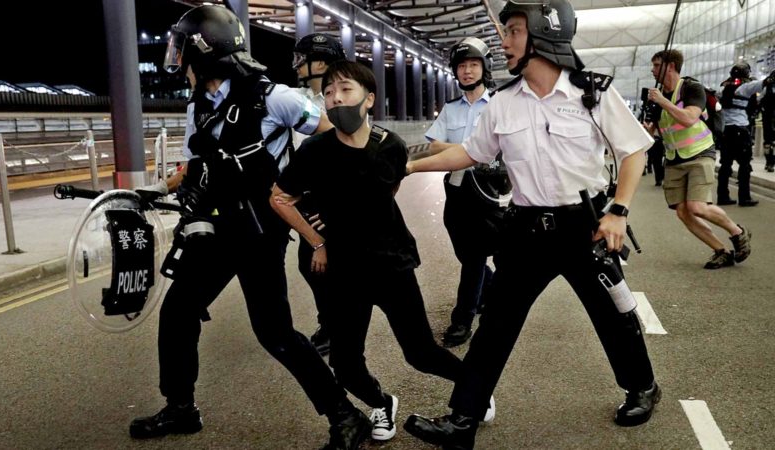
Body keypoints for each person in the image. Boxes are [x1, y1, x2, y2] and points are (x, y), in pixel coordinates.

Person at [402, 1, 660, 448]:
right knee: (496, 325)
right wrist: (405, 167)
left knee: (614, 315)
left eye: (514, 31)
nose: (504, 42)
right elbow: (469, 153)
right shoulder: (502, 103)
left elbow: (634, 150)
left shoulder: (592, 93)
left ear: (543, 34)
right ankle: (462, 421)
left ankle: (642, 388)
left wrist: (618, 209)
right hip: (525, 230)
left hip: (587, 227)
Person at [129, 6, 372, 449]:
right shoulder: (199, 105)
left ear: (205, 52)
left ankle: (345, 415)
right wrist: (153, 189)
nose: (177, 60)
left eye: (182, 51)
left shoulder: (273, 96)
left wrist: (306, 191)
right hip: (215, 228)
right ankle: (180, 407)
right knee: (178, 311)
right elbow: (196, 162)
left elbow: (333, 132)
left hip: (260, 232)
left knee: (274, 332)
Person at [270, 60, 495, 444]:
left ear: (369, 98)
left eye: (346, 91)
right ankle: (381, 402)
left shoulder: (390, 145)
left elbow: (383, 193)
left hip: (392, 264)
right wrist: (317, 240)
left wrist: (352, 212)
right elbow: (280, 198)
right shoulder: (313, 150)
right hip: (343, 269)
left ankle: (474, 392)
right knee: (346, 364)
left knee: (421, 352)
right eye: (329, 93)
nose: (336, 99)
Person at [425, 37, 509, 347]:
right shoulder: (450, 108)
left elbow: (504, 146)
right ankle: (486, 293)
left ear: (484, 68)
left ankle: (463, 319)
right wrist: (473, 150)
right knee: (465, 253)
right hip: (457, 188)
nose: (467, 71)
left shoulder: (501, 103)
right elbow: (434, 145)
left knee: (476, 257)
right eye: (462, 66)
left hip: (491, 191)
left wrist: (467, 151)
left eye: (473, 65)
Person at [644, 50, 752, 269]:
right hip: (674, 158)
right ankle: (720, 251)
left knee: (697, 206)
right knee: (683, 212)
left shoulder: (692, 88)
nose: (652, 70)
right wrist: (645, 129)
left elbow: (689, 119)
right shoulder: (657, 97)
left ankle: (738, 232)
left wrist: (662, 101)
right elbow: (652, 132)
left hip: (700, 153)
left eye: (656, 65)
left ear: (671, 66)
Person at [290, 33, 347, 355]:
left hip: (331, 195)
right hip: (305, 195)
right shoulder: (299, 98)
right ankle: (333, 322)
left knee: (322, 263)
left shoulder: (337, 99)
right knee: (310, 263)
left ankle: (337, 327)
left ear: (321, 62)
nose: (297, 64)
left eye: (303, 58)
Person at [716, 62, 770, 206]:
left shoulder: (725, 87)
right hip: (740, 129)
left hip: (726, 130)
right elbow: (761, 83)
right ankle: (744, 197)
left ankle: (722, 196)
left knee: (725, 164)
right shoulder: (744, 88)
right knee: (745, 165)